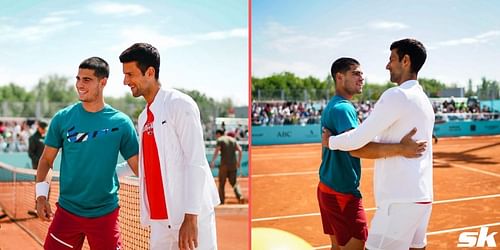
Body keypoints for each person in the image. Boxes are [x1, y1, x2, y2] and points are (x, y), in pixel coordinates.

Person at [323, 39, 434, 250]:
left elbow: (358, 139)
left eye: (392, 59)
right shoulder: (423, 99)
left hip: (398, 200)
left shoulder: (397, 95)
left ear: (406, 60)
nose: (387, 65)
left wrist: (331, 141)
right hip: (422, 196)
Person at [119, 42, 220, 250]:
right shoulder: (143, 117)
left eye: (130, 74)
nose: (125, 81)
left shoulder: (179, 104)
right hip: (160, 222)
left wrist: (191, 217)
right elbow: (145, 161)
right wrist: (109, 173)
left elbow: (196, 160)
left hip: (189, 217)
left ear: (149, 72)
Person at [35, 57, 139, 250]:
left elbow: (139, 167)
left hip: (105, 216)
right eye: (78, 79)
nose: (79, 85)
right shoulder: (62, 118)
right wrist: (41, 196)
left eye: (87, 80)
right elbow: (46, 160)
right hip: (67, 214)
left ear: (103, 82)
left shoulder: (122, 123)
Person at [210, 129, 245, 204]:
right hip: (233, 164)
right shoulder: (233, 140)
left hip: (224, 165)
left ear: (218, 134)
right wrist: (238, 162)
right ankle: (240, 196)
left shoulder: (220, 140)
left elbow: (217, 150)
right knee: (234, 182)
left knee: (222, 183)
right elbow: (240, 150)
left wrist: (213, 161)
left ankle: (221, 200)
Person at [27, 120, 48, 216]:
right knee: (39, 188)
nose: (44, 130)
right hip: (37, 168)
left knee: (47, 188)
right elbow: (31, 153)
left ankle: (45, 208)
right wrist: (39, 163)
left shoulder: (47, 137)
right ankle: (38, 209)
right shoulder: (33, 138)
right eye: (43, 128)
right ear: (39, 127)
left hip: (48, 168)